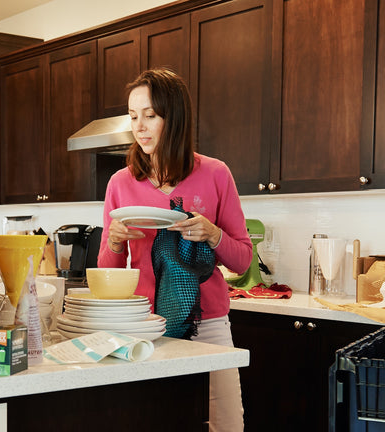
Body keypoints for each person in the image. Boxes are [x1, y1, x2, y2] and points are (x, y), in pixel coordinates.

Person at [97, 67, 253, 432]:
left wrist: (213, 234)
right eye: (134, 117)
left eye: (150, 115)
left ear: (175, 117)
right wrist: (115, 242)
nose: (140, 126)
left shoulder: (215, 174)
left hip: (208, 324)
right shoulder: (121, 183)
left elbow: (243, 260)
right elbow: (109, 274)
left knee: (226, 425)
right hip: (143, 325)